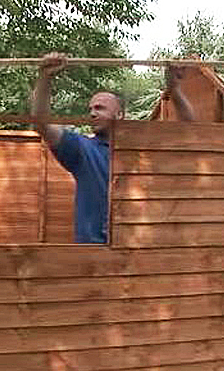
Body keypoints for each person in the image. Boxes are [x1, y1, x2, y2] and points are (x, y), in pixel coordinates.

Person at [32, 53, 194, 243]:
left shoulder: (139, 152)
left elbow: (187, 130)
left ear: (119, 114)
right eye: (90, 109)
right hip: (92, 254)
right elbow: (41, 124)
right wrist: (45, 77)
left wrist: (174, 89)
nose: (92, 113)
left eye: (99, 108)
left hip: (132, 252)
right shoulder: (82, 150)